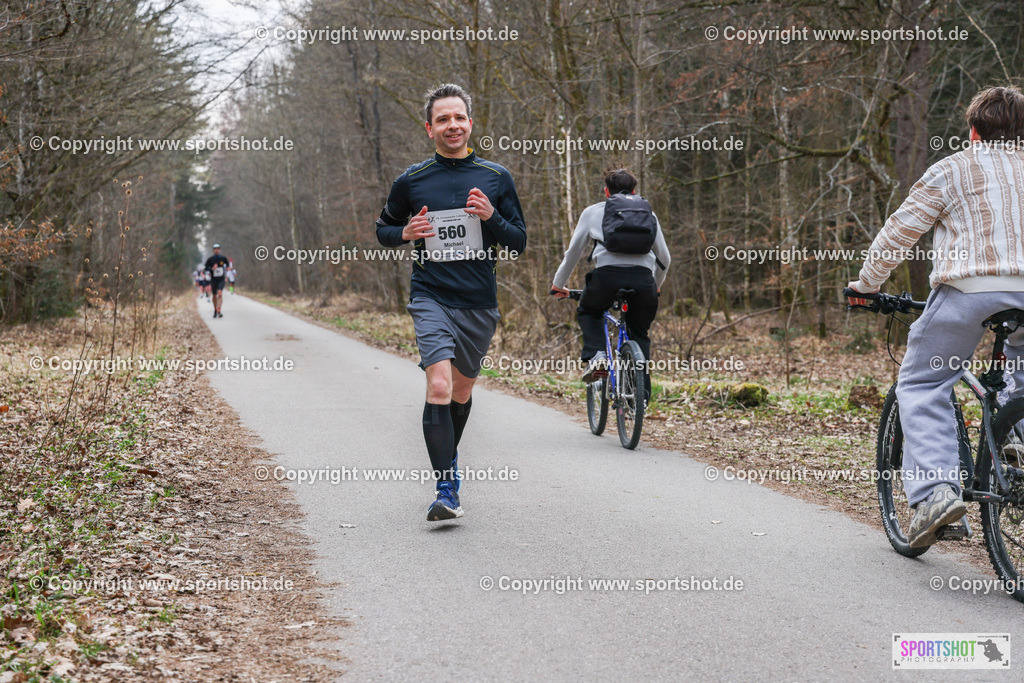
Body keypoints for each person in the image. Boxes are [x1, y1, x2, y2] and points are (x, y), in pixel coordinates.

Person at [847, 85, 1024, 549]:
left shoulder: (952, 169)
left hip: (969, 290)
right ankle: (1016, 443)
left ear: (972, 131)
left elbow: (899, 232)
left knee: (925, 384)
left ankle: (934, 496)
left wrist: (866, 285)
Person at [375, 83, 526, 521]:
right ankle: (447, 489)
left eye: (458, 117)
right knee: (438, 385)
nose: (452, 125)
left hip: (479, 302)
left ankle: (448, 466)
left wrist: (491, 217)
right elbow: (383, 230)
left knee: (460, 391)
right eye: (443, 119)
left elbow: (518, 243)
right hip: (431, 296)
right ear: (429, 128)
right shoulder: (412, 180)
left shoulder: (496, 178)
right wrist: (404, 233)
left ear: (470, 123)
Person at [551, 166, 671, 400]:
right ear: (635, 191)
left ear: (607, 192)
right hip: (643, 281)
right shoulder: (649, 213)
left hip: (606, 278)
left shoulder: (593, 212)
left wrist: (558, 284)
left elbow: (573, 253)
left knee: (589, 310)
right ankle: (641, 396)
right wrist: (655, 286)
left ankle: (597, 357)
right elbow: (664, 258)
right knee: (639, 332)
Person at [205, 244, 231, 318]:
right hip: (213, 279)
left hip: (221, 279)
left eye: (218, 249)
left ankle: (219, 309)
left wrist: (227, 270)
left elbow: (228, 267)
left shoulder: (223, 258)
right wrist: (212, 268)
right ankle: (215, 309)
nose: (217, 250)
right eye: (215, 249)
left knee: (220, 293)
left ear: (220, 250)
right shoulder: (210, 259)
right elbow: (206, 268)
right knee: (214, 295)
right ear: (213, 250)